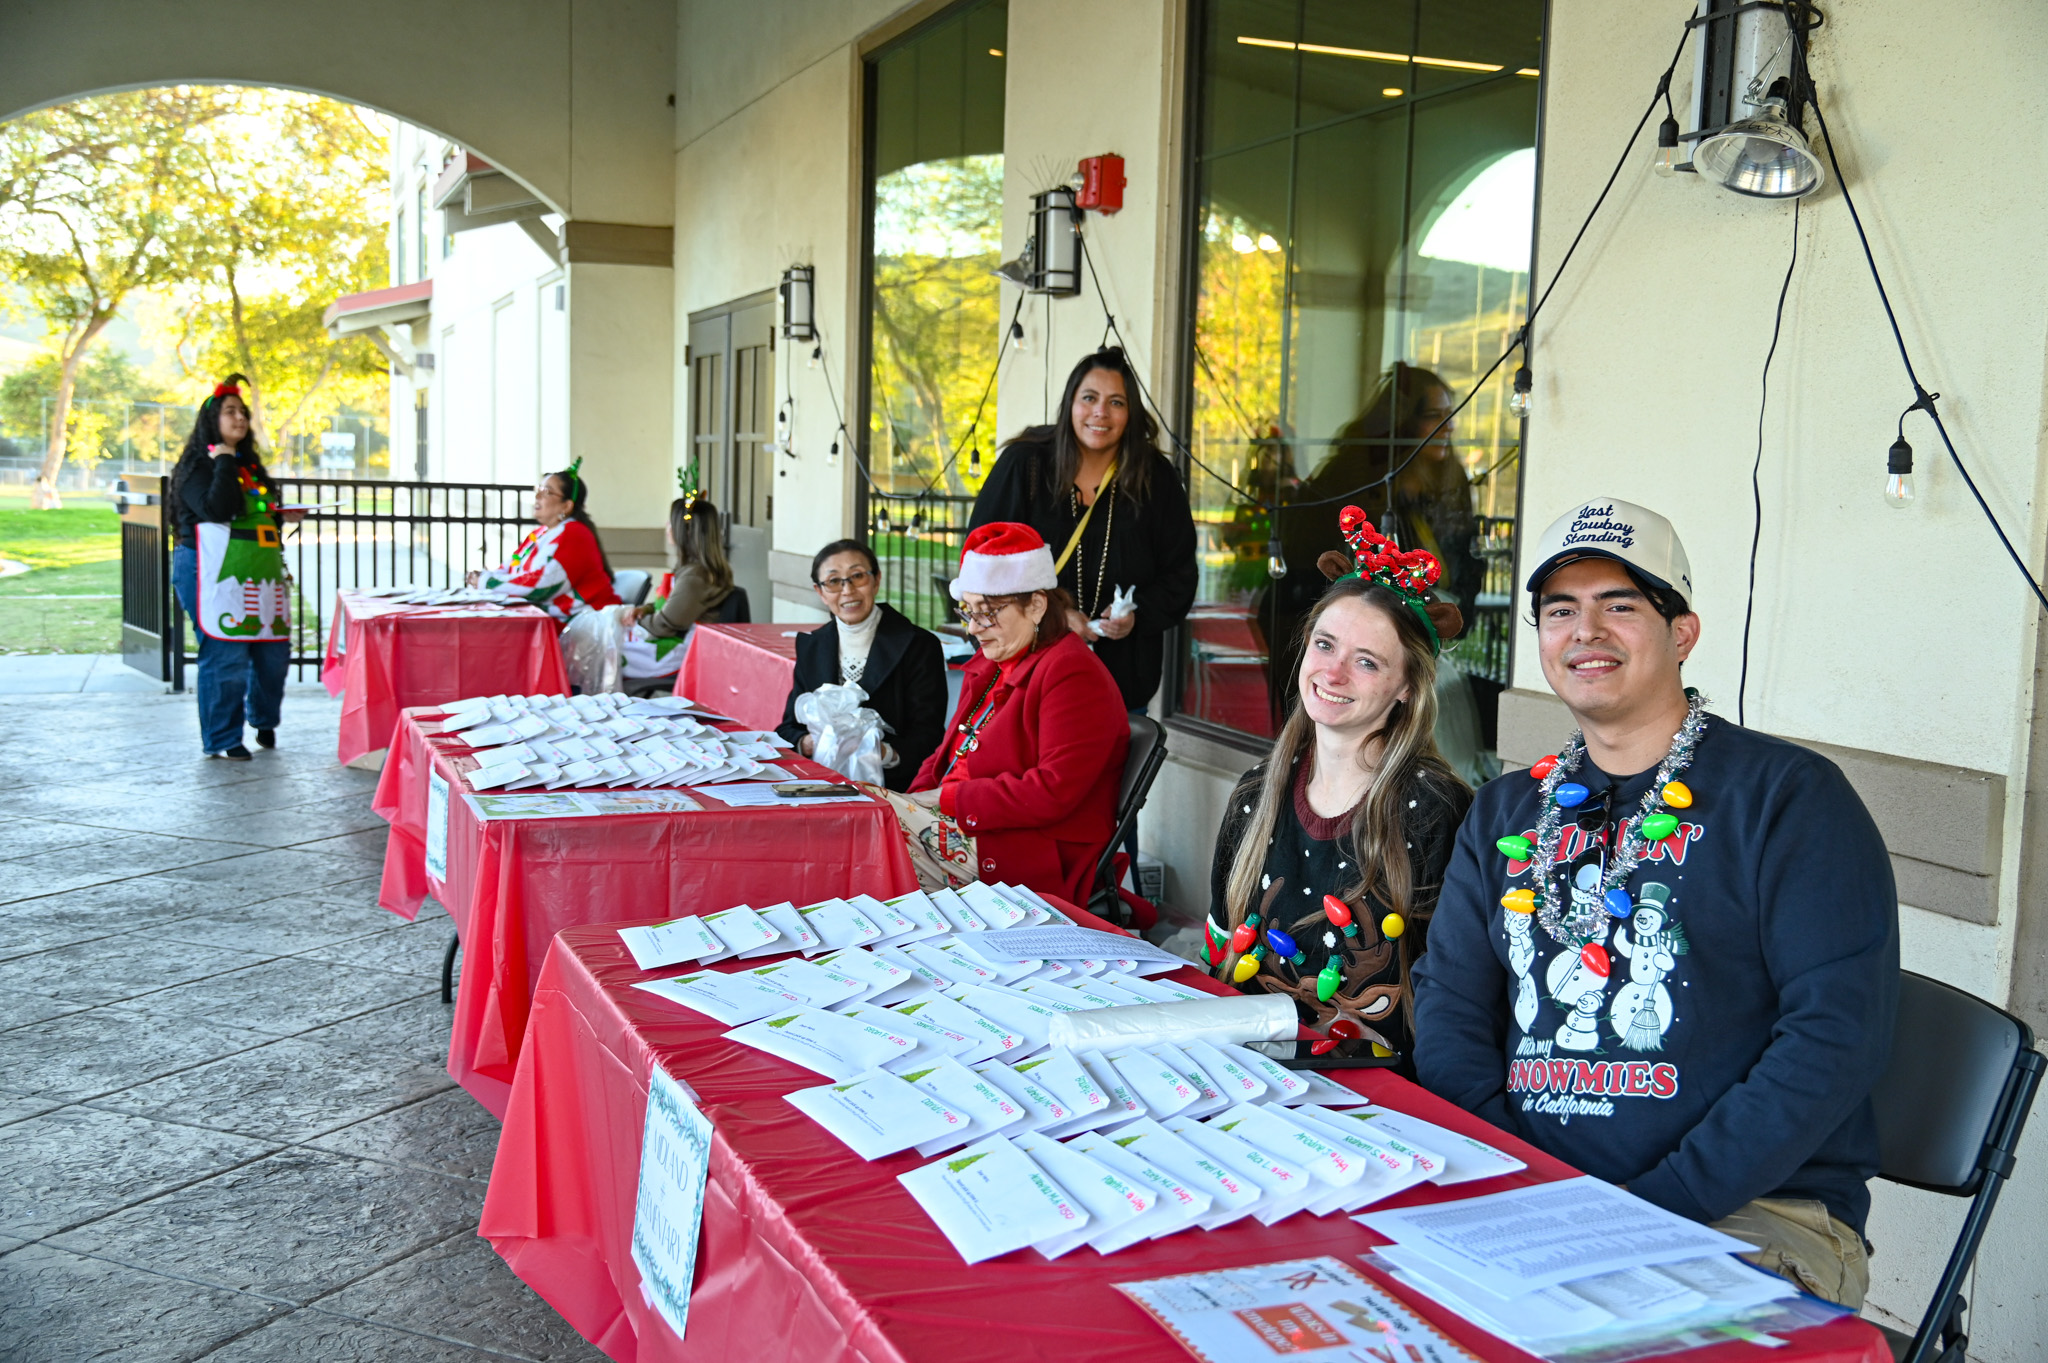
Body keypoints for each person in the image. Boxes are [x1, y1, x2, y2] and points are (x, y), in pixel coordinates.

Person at [1412, 497, 1898, 1309]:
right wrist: (1518, 1175)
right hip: (1534, 1193)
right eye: (1560, 610)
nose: (1585, 631)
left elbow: (1835, 1036)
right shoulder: (1504, 811)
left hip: (1747, 1212)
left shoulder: (1787, 798)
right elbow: (1451, 1002)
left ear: (1683, 633)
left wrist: (1645, 1212)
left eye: (1620, 606)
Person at [1207, 507, 1471, 1063]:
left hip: (1376, 1094)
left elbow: (1455, 1003)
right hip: (1246, 1073)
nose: (1333, 673)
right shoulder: (1256, 793)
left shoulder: (1433, 811)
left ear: (1406, 687)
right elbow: (1219, 962)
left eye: (1367, 662)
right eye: (1325, 645)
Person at [872, 522, 1129, 905]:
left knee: (862, 834)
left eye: (988, 613)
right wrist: (913, 798)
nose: (974, 628)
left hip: (1026, 848)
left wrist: (946, 800)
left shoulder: (1072, 671)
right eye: (968, 612)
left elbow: (1052, 790)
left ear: (1036, 605)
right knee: (857, 813)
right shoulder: (995, 660)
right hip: (971, 826)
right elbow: (948, 754)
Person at [969, 346, 1197, 714]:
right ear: (1070, 404)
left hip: (1119, 682)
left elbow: (1180, 574)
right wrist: (1055, 617)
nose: (1100, 412)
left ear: (1131, 413)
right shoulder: (1026, 465)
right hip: (1028, 675)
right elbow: (982, 564)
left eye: (1116, 402)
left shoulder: (1155, 478)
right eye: (1089, 398)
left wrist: (1136, 615)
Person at [1263, 363, 1487, 731]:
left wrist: (1446, 624)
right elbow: (1312, 568)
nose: (1448, 426)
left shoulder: (1450, 479)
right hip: (1347, 650)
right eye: (1434, 415)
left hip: (1416, 650)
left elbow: (1465, 558)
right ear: (1402, 423)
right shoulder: (1350, 479)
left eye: (1450, 415)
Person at [167, 375, 300, 760]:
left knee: (272, 652)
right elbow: (217, 509)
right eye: (230, 412)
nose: (240, 418)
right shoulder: (197, 466)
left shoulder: (251, 467)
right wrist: (223, 459)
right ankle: (223, 737)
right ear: (212, 420)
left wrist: (281, 516)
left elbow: (254, 514)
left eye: (243, 412)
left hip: (258, 570)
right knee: (226, 653)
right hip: (207, 569)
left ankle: (263, 719)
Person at [774, 538, 947, 793]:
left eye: (857, 576)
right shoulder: (813, 646)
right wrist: (812, 743)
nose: (847, 590)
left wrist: (882, 753)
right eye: (834, 581)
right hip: (821, 787)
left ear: (876, 580)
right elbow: (788, 728)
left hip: (896, 790)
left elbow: (930, 735)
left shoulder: (919, 645)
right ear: (820, 592)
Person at [469, 460, 620, 623]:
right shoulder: (539, 533)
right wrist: (484, 578)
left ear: (566, 506)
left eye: (547, 491)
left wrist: (487, 582)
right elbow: (510, 567)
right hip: (556, 622)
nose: (537, 496)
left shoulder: (575, 533)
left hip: (587, 623)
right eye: (538, 489)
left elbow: (543, 586)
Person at [617, 496, 735, 679]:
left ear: (685, 532)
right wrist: (645, 609)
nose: (667, 526)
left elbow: (663, 625)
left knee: (603, 649)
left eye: (671, 522)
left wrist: (630, 621)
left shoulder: (695, 578)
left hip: (677, 653)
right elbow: (672, 606)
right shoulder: (696, 571)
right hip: (674, 642)